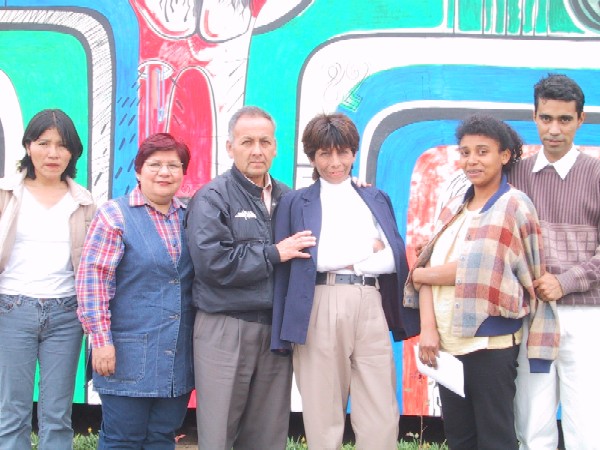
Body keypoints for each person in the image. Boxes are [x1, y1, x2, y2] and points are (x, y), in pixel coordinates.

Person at [404, 114, 560, 450]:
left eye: (482, 151)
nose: (472, 160)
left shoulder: (514, 205)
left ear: (504, 156)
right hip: (446, 343)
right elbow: (427, 259)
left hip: (489, 344)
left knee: (495, 438)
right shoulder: (454, 207)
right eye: (465, 152)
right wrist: (428, 329)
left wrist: (421, 274)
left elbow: (481, 269)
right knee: (459, 437)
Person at [270, 113, 420, 449]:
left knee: (381, 409)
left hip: (371, 301)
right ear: (312, 157)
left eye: (343, 152)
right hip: (320, 301)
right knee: (323, 410)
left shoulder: (374, 198)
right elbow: (315, 259)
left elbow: (393, 259)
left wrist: (354, 256)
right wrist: (368, 246)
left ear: (354, 153)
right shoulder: (295, 202)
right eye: (325, 154)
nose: (335, 162)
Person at [185, 106, 316, 450]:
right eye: (247, 142)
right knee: (219, 433)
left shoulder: (289, 198)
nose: (257, 150)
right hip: (225, 326)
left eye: (264, 142)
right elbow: (213, 264)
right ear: (230, 147)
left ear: (275, 148)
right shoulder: (212, 197)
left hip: (274, 331)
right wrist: (273, 253)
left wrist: (353, 188)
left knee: (267, 435)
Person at [76, 133, 194, 449]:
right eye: (155, 164)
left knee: (161, 437)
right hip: (125, 354)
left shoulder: (190, 216)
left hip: (176, 356)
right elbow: (93, 282)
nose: (164, 172)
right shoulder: (114, 215)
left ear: (183, 173)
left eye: (174, 165)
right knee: (122, 439)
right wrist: (101, 341)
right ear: (139, 170)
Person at [510, 74, 600, 449]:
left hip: (587, 315)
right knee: (532, 423)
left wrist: (566, 281)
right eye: (546, 118)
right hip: (531, 314)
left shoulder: (596, 174)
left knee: (588, 427)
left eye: (564, 119)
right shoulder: (514, 175)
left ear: (580, 120)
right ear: (534, 116)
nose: (554, 129)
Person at [0, 109, 96, 449]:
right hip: (12, 310)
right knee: (12, 411)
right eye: (43, 143)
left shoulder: (84, 202)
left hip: (66, 315)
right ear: (28, 146)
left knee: (57, 414)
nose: (52, 153)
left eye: (62, 145)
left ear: (73, 152)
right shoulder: (6, 194)